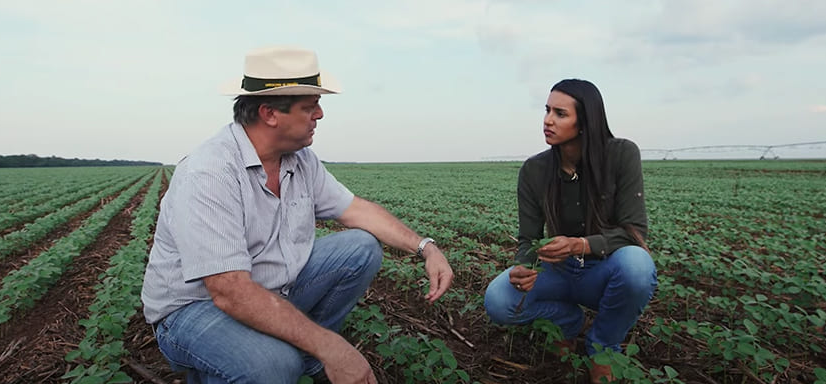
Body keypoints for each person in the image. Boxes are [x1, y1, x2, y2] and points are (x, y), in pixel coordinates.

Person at [141, 46, 454, 384]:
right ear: (270, 114)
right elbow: (229, 291)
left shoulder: (300, 159)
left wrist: (426, 247)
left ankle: (308, 357)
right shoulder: (210, 172)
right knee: (273, 366)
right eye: (309, 106)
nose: (320, 114)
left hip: (267, 287)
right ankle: (272, 359)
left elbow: (357, 210)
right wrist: (331, 345)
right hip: (195, 308)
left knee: (360, 247)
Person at [483, 79, 657, 383]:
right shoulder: (535, 170)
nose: (548, 120)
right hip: (558, 271)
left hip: (604, 271)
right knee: (498, 300)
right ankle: (566, 322)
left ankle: (603, 347)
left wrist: (580, 245)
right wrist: (524, 267)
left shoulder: (621, 155)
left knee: (637, 266)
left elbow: (635, 233)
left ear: (586, 121)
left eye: (560, 113)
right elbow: (528, 239)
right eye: (547, 110)